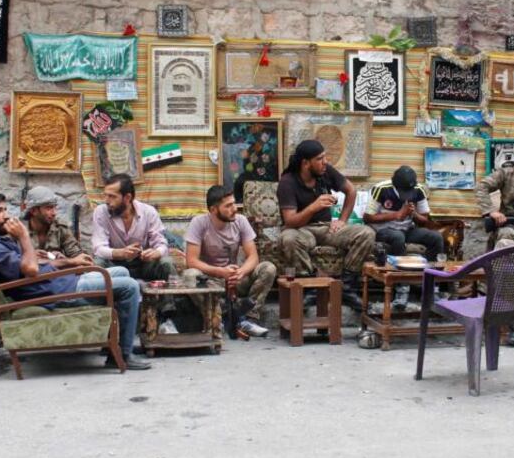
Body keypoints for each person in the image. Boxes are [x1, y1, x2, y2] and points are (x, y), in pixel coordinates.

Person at [0, 191, 150, 370]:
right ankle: (124, 355)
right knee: (129, 286)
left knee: (121, 271)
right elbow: (30, 269)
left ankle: (111, 344)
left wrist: (43, 258)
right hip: (54, 292)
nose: (6, 216)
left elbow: (26, 264)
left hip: (55, 283)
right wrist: (23, 237)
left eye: (5, 210)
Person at [277, 139, 375, 310]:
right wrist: (313, 207)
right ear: (306, 163)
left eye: (324, 157)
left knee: (367, 233)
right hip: (302, 230)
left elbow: (351, 190)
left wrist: (342, 220)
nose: (325, 162)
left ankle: (347, 288)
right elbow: (290, 221)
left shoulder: (325, 172)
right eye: (320, 158)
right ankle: (310, 288)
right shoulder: (287, 182)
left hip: (328, 228)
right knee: (288, 238)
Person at [183, 185, 277, 338]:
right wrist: (219, 271)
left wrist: (241, 272)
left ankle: (247, 319)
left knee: (268, 268)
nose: (234, 209)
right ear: (213, 210)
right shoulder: (199, 223)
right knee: (190, 275)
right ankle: (218, 318)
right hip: (211, 281)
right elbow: (191, 261)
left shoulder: (240, 221)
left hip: (234, 280)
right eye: (228, 206)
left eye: (234, 203)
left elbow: (253, 257)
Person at [363, 165, 444, 309]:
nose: (406, 195)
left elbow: (424, 220)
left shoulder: (418, 190)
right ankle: (401, 289)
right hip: (384, 230)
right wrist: (396, 215)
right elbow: (368, 217)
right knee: (398, 237)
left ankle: (431, 286)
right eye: (403, 192)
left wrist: (413, 214)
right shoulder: (381, 189)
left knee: (436, 238)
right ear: (395, 185)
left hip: (408, 229)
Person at [92, 174, 174, 282]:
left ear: (127, 198)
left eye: (112, 196)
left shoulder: (148, 212)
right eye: (105, 195)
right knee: (98, 264)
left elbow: (161, 244)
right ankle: (106, 298)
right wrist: (121, 253)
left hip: (143, 264)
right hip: (114, 265)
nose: (107, 201)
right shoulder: (101, 211)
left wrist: (155, 253)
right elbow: (98, 249)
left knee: (166, 263)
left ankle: (167, 299)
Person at [24, 186, 94, 268]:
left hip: (61, 278)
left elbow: (79, 258)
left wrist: (63, 259)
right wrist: (64, 262)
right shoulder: (18, 231)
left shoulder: (60, 227)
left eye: (54, 207)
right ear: (33, 211)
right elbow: (18, 264)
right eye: (49, 208)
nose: (54, 213)